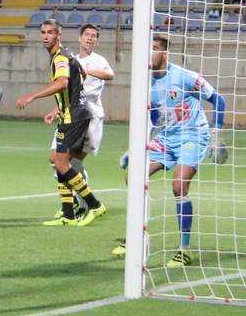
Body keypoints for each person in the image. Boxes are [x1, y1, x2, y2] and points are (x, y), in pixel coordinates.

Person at [127, 33, 227, 267]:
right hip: (167, 137)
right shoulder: (145, 82)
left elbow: (218, 100)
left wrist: (216, 135)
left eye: (154, 48)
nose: (149, 52)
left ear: (164, 53)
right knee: (133, 176)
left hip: (193, 135)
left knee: (179, 185)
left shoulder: (184, 77)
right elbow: (154, 118)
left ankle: (184, 249)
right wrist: (134, 148)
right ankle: (139, 238)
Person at [15, 19, 106, 227]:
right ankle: (68, 213)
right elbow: (79, 73)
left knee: (62, 163)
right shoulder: (66, 55)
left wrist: (33, 97)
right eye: (43, 32)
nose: (45, 36)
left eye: (50, 32)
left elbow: (63, 82)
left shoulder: (60, 58)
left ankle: (94, 204)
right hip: (71, 114)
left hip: (73, 117)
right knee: (56, 160)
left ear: (59, 34)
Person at [46, 24, 114, 213]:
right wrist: (55, 109)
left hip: (91, 117)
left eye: (94, 36)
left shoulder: (98, 60)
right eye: (87, 35)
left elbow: (110, 74)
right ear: (79, 38)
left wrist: (86, 70)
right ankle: (76, 204)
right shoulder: (71, 59)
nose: (90, 38)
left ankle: (82, 205)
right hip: (70, 114)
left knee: (69, 161)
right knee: (56, 159)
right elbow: (69, 90)